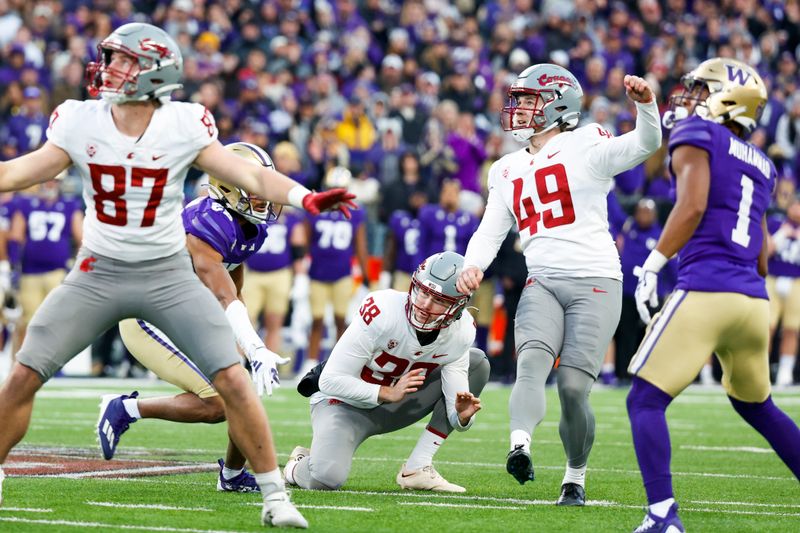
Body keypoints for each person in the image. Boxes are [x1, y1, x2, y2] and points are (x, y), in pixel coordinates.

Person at [0, 23, 355, 528]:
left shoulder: (186, 123)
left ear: (152, 73)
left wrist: (306, 196)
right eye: (110, 58)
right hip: (97, 270)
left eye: (122, 60)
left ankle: (275, 498)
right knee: (24, 373)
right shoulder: (80, 120)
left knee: (234, 380)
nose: (108, 68)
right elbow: (20, 172)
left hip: (166, 274)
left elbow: (251, 175)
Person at [456, 63, 661, 505]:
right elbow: (490, 230)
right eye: (518, 100)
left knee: (572, 387)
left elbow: (646, 144)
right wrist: (472, 267)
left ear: (557, 104)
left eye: (528, 100)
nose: (518, 109)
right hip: (542, 280)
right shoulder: (506, 168)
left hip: (596, 281)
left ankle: (575, 474)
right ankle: (519, 445)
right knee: (530, 365)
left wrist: (646, 107)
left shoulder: (587, 142)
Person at [628, 58, 800, 532]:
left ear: (727, 99)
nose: (689, 98)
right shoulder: (762, 162)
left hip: (707, 290)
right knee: (757, 406)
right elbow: (763, 253)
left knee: (644, 399)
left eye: (701, 89)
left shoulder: (698, 136)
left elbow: (693, 203)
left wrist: (654, 263)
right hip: (751, 301)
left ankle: (662, 517)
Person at [98, 142, 286, 495]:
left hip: (185, 315)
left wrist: (245, 348)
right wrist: (255, 346)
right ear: (228, 188)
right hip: (148, 315)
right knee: (217, 403)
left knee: (242, 391)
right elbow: (221, 292)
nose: (264, 196)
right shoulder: (206, 220)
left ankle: (231, 476)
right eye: (254, 189)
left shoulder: (249, 226)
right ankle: (125, 408)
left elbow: (234, 287)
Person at [284, 251, 489, 492]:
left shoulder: (462, 331)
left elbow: (457, 409)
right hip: (343, 404)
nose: (424, 305)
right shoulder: (382, 310)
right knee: (325, 478)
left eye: (439, 300)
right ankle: (296, 465)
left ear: (458, 307)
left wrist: (463, 417)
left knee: (478, 363)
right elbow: (329, 380)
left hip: (398, 404)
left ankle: (417, 468)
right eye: (423, 291)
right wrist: (384, 391)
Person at [8, 178, 83, 354]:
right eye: (47, 181)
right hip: (29, 273)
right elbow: (15, 237)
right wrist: (12, 267)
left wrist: (77, 265)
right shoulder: (26, 204)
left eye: (54, 182)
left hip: (57, 272)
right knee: (28, 321)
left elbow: (81, 238)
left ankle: (54, 362)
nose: (50, 185)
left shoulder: (69, 205)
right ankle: (23, 361)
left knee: (56, 321)